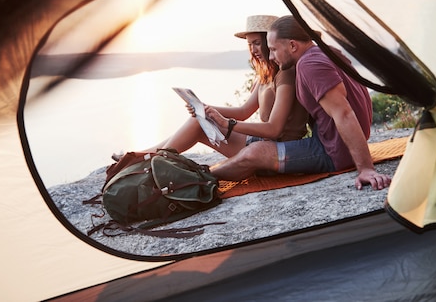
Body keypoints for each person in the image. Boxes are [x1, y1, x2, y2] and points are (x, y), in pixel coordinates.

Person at [210, 15, 392, 190]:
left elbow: (343, 113)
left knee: (255, 152)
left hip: (334, 152)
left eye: (273, 49)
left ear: (292, 45)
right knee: (257, 149)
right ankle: (205, 174)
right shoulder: (325, 51)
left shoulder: (309, 65)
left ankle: (205, 178)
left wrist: (366, 168)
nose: (271, 57)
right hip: (339, 144)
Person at [114, 15, 310, 160]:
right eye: (250, 44)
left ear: (270, 42)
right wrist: (206, 109)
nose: (253, 50)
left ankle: (143, 159)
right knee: (199, 120)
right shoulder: (265, 76)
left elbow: (274, 129)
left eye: (258, 43)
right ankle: (142, 156)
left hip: (276, 149)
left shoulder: (286, 75)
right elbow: (243, 111)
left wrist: (226, 123)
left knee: (198, 124)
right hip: (261, 142)